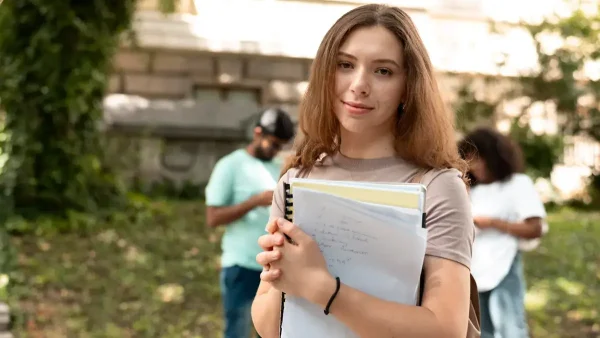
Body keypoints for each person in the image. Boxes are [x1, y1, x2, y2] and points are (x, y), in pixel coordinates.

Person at [251, 4, 476, 337]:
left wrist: (323, 289)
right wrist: (280, 275)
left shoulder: (437, 186)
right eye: (345, 65)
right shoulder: (297, 180)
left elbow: (445, 329)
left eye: (383, 71)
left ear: (407, 86)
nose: (359, 85)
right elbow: (272, 328)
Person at [204, 107, 295, 338]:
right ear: (257, 133)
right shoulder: (231, 165)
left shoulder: (278, 168)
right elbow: (213, 217)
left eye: (280, 147)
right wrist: (253, 202)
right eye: (273, 144)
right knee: (238, 332)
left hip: (274, 268)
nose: (276, 151)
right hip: (241, 266)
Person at [458, 127, 546, 338]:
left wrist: (493, 223)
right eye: (468, 160)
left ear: (493, 157)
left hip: (504, 266)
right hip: (474, 268)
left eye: (478, 159)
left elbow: (535, 228)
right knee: (482, 331)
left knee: (510, 329)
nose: (474, 166)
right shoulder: (470, 189)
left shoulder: (517, 184)